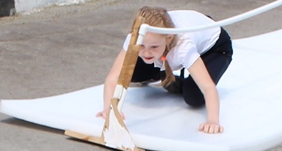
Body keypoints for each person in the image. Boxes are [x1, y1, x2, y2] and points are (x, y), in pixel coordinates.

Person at [100, 7, 233, 136]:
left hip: (215, 46)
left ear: (168, 39)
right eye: (141, 46)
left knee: (194, 97)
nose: (146, 52)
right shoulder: (136, 35)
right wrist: (109, 109)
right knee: (131, 72)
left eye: (154, 47)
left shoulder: (183, 46)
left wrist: (213, 121)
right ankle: (166, 76)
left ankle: (175, 80)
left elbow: (208, 87)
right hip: (175, 40)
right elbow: (113, 77)